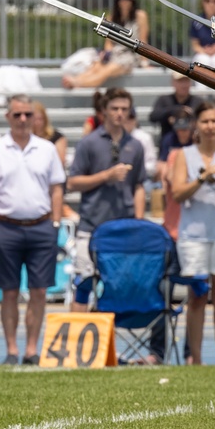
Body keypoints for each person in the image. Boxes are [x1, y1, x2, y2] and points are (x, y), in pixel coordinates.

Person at [0, 94, 65, 364]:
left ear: (35, 117)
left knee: (40, 291)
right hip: (6, 227)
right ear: (8, 117)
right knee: (9, 291)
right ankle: (11, 350)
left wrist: (55, 222)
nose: (23, 119)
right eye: (17, 115)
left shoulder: (46, 148)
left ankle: (30, 349)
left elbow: (57, 188)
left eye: (27, 114)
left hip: (41, 226)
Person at [169, 102, 215, 365]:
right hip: (194, 236)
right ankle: (197, 359)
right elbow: (177, 193)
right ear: (196, 127)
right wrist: (204, 176)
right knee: (197, 296)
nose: (210, 126)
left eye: (214, 121)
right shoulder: (184, 154)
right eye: (205, 121)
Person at [67, 87, 146, 312]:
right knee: (83, 284)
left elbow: (139, 185)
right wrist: (106, 176)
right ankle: (78, 342)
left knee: (117, 288)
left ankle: (108, 345)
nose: (119, 114)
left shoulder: (135, 145)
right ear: (104, 111)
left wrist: (138, 222)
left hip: (123, 227)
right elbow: (73, 183)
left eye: (124, 109)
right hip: (91, 226)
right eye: (114, 109)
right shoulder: (88, 143)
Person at [61, 0, 149, 89]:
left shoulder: (140, 16)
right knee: (96, 67)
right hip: (114, 52)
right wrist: (107, 54)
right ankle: (76, 81)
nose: (124, 2)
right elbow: (108, 42)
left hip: (130, 54)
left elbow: (143, 40)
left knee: (108, 70)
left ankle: (78, 83)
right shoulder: (111, 17)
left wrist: (144, 62)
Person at [149, 71, 204, 142]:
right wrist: (173, 111)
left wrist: (191, 118)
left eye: (186, 81)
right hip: (169, 143)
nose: (184, 85)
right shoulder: (164, 100)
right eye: (180, 81)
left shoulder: (197, 102)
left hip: (193, 143)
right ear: (173, 83)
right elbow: (153, 117)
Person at [31, 100, 68, 169]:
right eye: (34, 119)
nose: (37, 122)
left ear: (45, 119)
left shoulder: (57, 137)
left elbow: (60, 162)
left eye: (40, 119)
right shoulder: (26, 138)